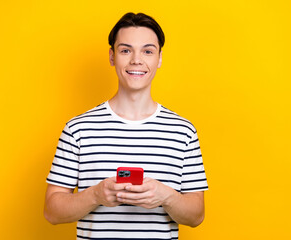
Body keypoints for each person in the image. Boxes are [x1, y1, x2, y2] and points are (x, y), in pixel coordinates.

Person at [44, 12, 208, 240]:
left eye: (148, 51)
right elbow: (52, 211)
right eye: (125, 50)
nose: (136, 60)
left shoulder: (184, 131)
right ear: (112, 56)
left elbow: (196, 216)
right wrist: (96, 195)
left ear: (159, 59)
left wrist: (166, 196)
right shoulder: (78, 129)